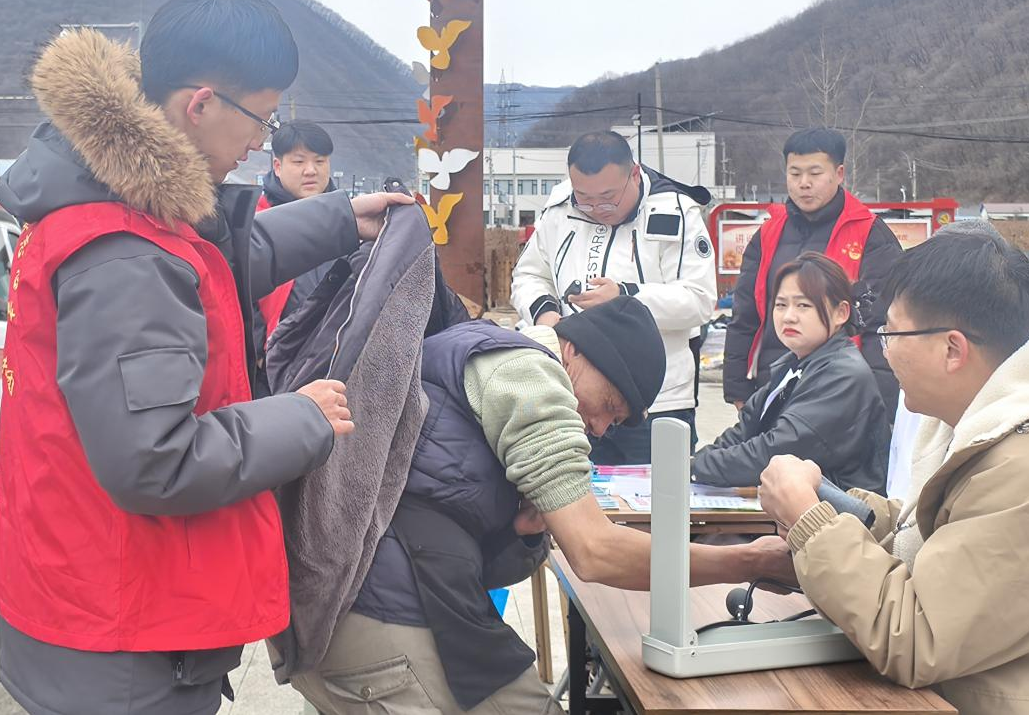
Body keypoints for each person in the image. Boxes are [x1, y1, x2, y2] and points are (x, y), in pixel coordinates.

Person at [0, 0, 411, 715]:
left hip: (95, 596)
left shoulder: (118, 200)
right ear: (202, 104)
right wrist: (302, 418)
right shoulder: (123, 255)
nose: (260, 143)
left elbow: (212, 258)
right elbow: (156, 460)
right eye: (261, 119)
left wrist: (343, 220)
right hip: (125, 639)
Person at [290, 296, 792, 715]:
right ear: (573, 351)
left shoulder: (481, 350)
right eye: (608, 405)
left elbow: (450, 526)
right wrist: (750, 560)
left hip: (343, 604)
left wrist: (523, 531)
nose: (599, 428)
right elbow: (593, 552)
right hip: (384, 618)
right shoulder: (530, 375)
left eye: (615, 422)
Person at [759, 230, 1029, 715]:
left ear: (952, 350)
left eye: (891, 334)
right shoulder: (988, 424)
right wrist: (839, 507)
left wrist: (809, 521)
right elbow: (941, 537)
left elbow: (915, 637)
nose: (883, 351)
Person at [511, 130, 717, 464]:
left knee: (658, 492)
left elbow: (699, 299)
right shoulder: (560, 208)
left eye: (608, 198)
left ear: (634, 174)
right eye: (585, 198)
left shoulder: (676, 211)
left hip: (656, 402)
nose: (596, 209)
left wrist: (625, 298)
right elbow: (529, 275)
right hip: (572, 394)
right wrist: (546, 316)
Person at [724, 127, 903, 418]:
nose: (804, 183)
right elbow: (745, 314)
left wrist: (877, 402)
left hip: (841, 392)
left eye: (815, 173)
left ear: (839, 173)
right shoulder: (767, 234)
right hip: (771, 387)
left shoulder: (870, 234)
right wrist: (738, 389)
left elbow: (882, 325)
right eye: (795, 174)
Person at [692, 252, 888, 492]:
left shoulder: (844, 375)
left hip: (837, 509)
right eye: (781, 305)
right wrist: (694, 464)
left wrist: (695, 467)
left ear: (841, 313)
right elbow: (743, 431)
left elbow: (775, 451)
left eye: (803, 305)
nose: (788, 317)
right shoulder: (794, 364)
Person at [255, 121, 338, 342]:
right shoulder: (256, 222)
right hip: (277, 351)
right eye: (299, 162)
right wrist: (259, 348)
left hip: (338, 349)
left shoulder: (349, 220)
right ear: (278, 166)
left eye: (319, 161)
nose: (311, 171)